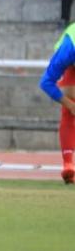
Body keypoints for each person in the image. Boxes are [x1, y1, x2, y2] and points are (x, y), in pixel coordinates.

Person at [37, 22, 75, 184]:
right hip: (70, 64)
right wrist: (70, 104)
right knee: (69, 104)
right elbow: (46, 82)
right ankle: (68, 164)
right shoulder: (67, 51)